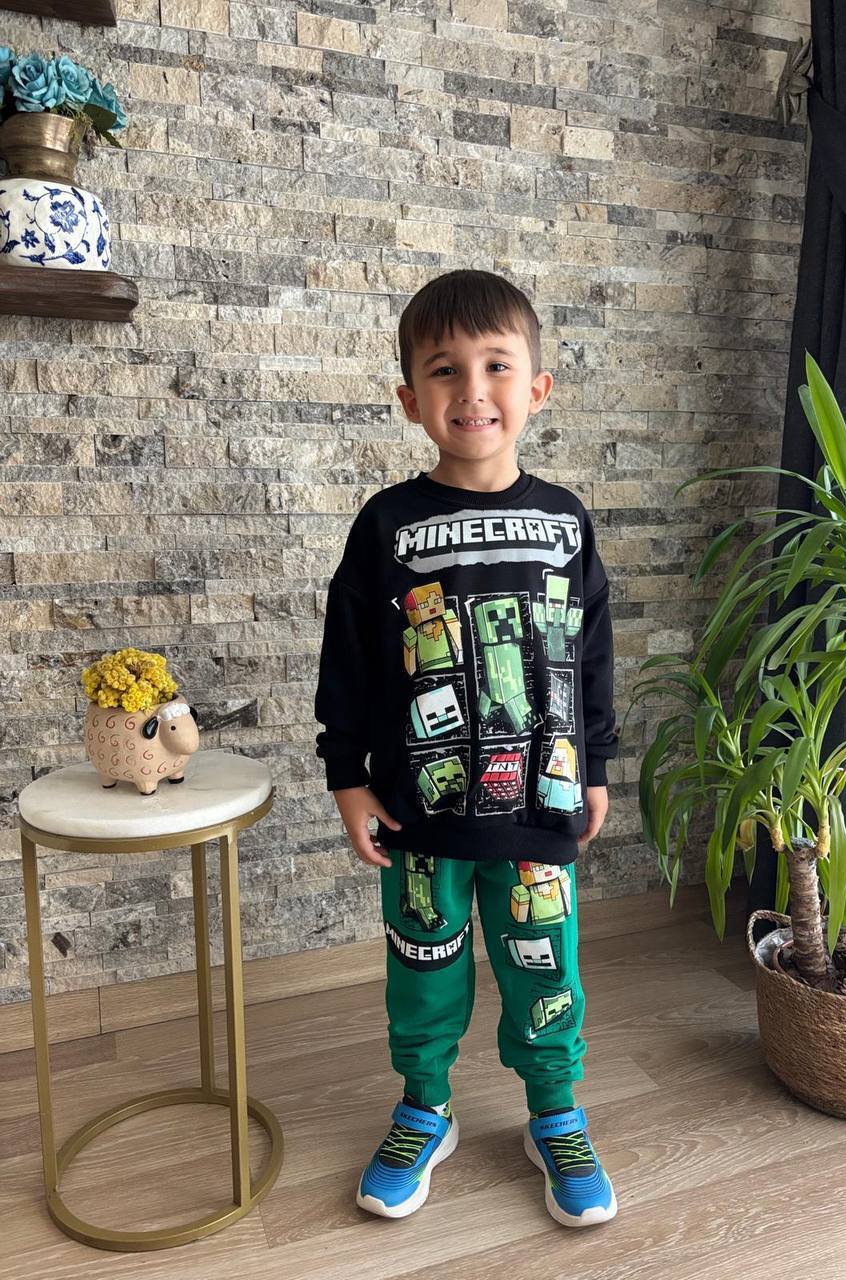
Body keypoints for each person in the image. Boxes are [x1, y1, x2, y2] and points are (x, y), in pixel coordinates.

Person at [314, 268, 619, 1228]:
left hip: (539, 807)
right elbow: (349, 655)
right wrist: (346, 775)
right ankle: (425, 1107)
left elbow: (591, 650)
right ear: (412, 399)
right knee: (424, 967)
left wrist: (597, 765)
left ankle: (554, 1113)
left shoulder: (565, 522)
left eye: (496, 366)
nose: (472, 390)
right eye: (444, 370)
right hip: (420, 814)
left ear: (538, 388)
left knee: (544, 967)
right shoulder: (386, 525)